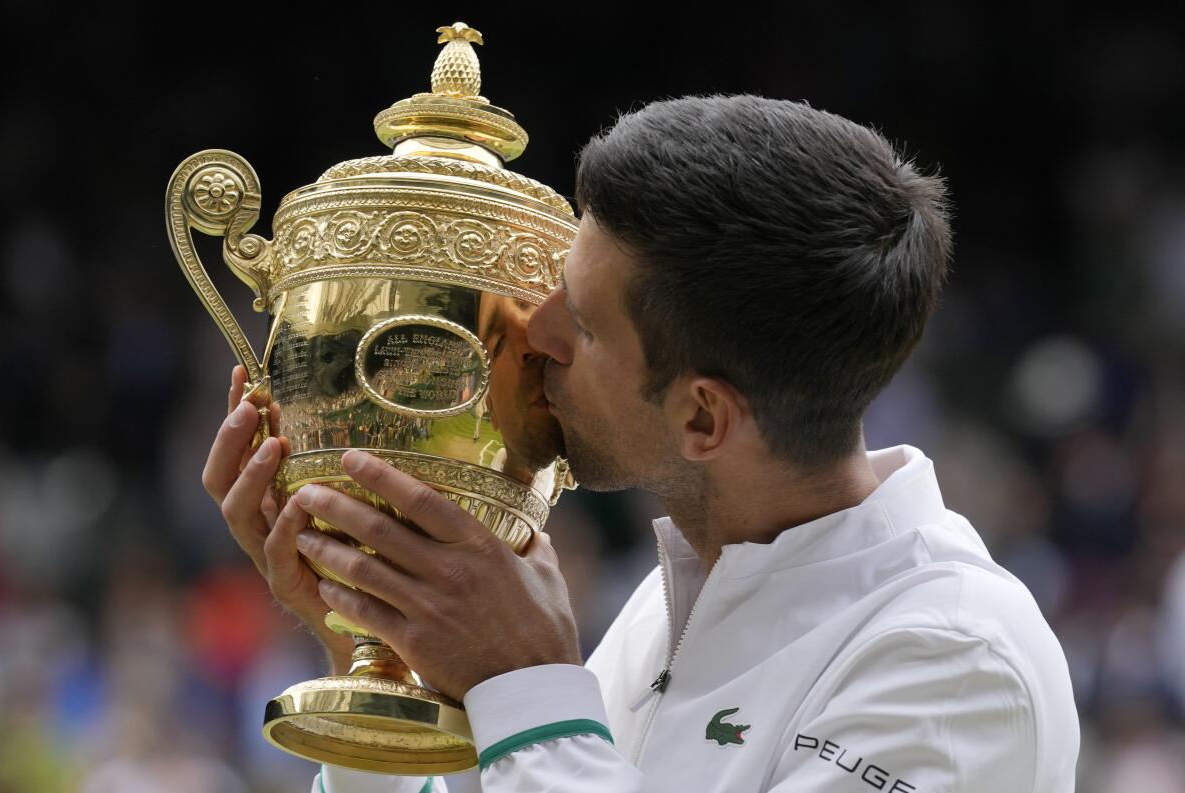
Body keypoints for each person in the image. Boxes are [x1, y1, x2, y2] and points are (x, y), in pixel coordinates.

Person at [204, 96, 1080, 792]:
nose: (529, 333)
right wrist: (374, 649)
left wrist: (533, 690)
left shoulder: (957, 666)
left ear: (704, 418)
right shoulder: (674, 603)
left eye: (579, 324)